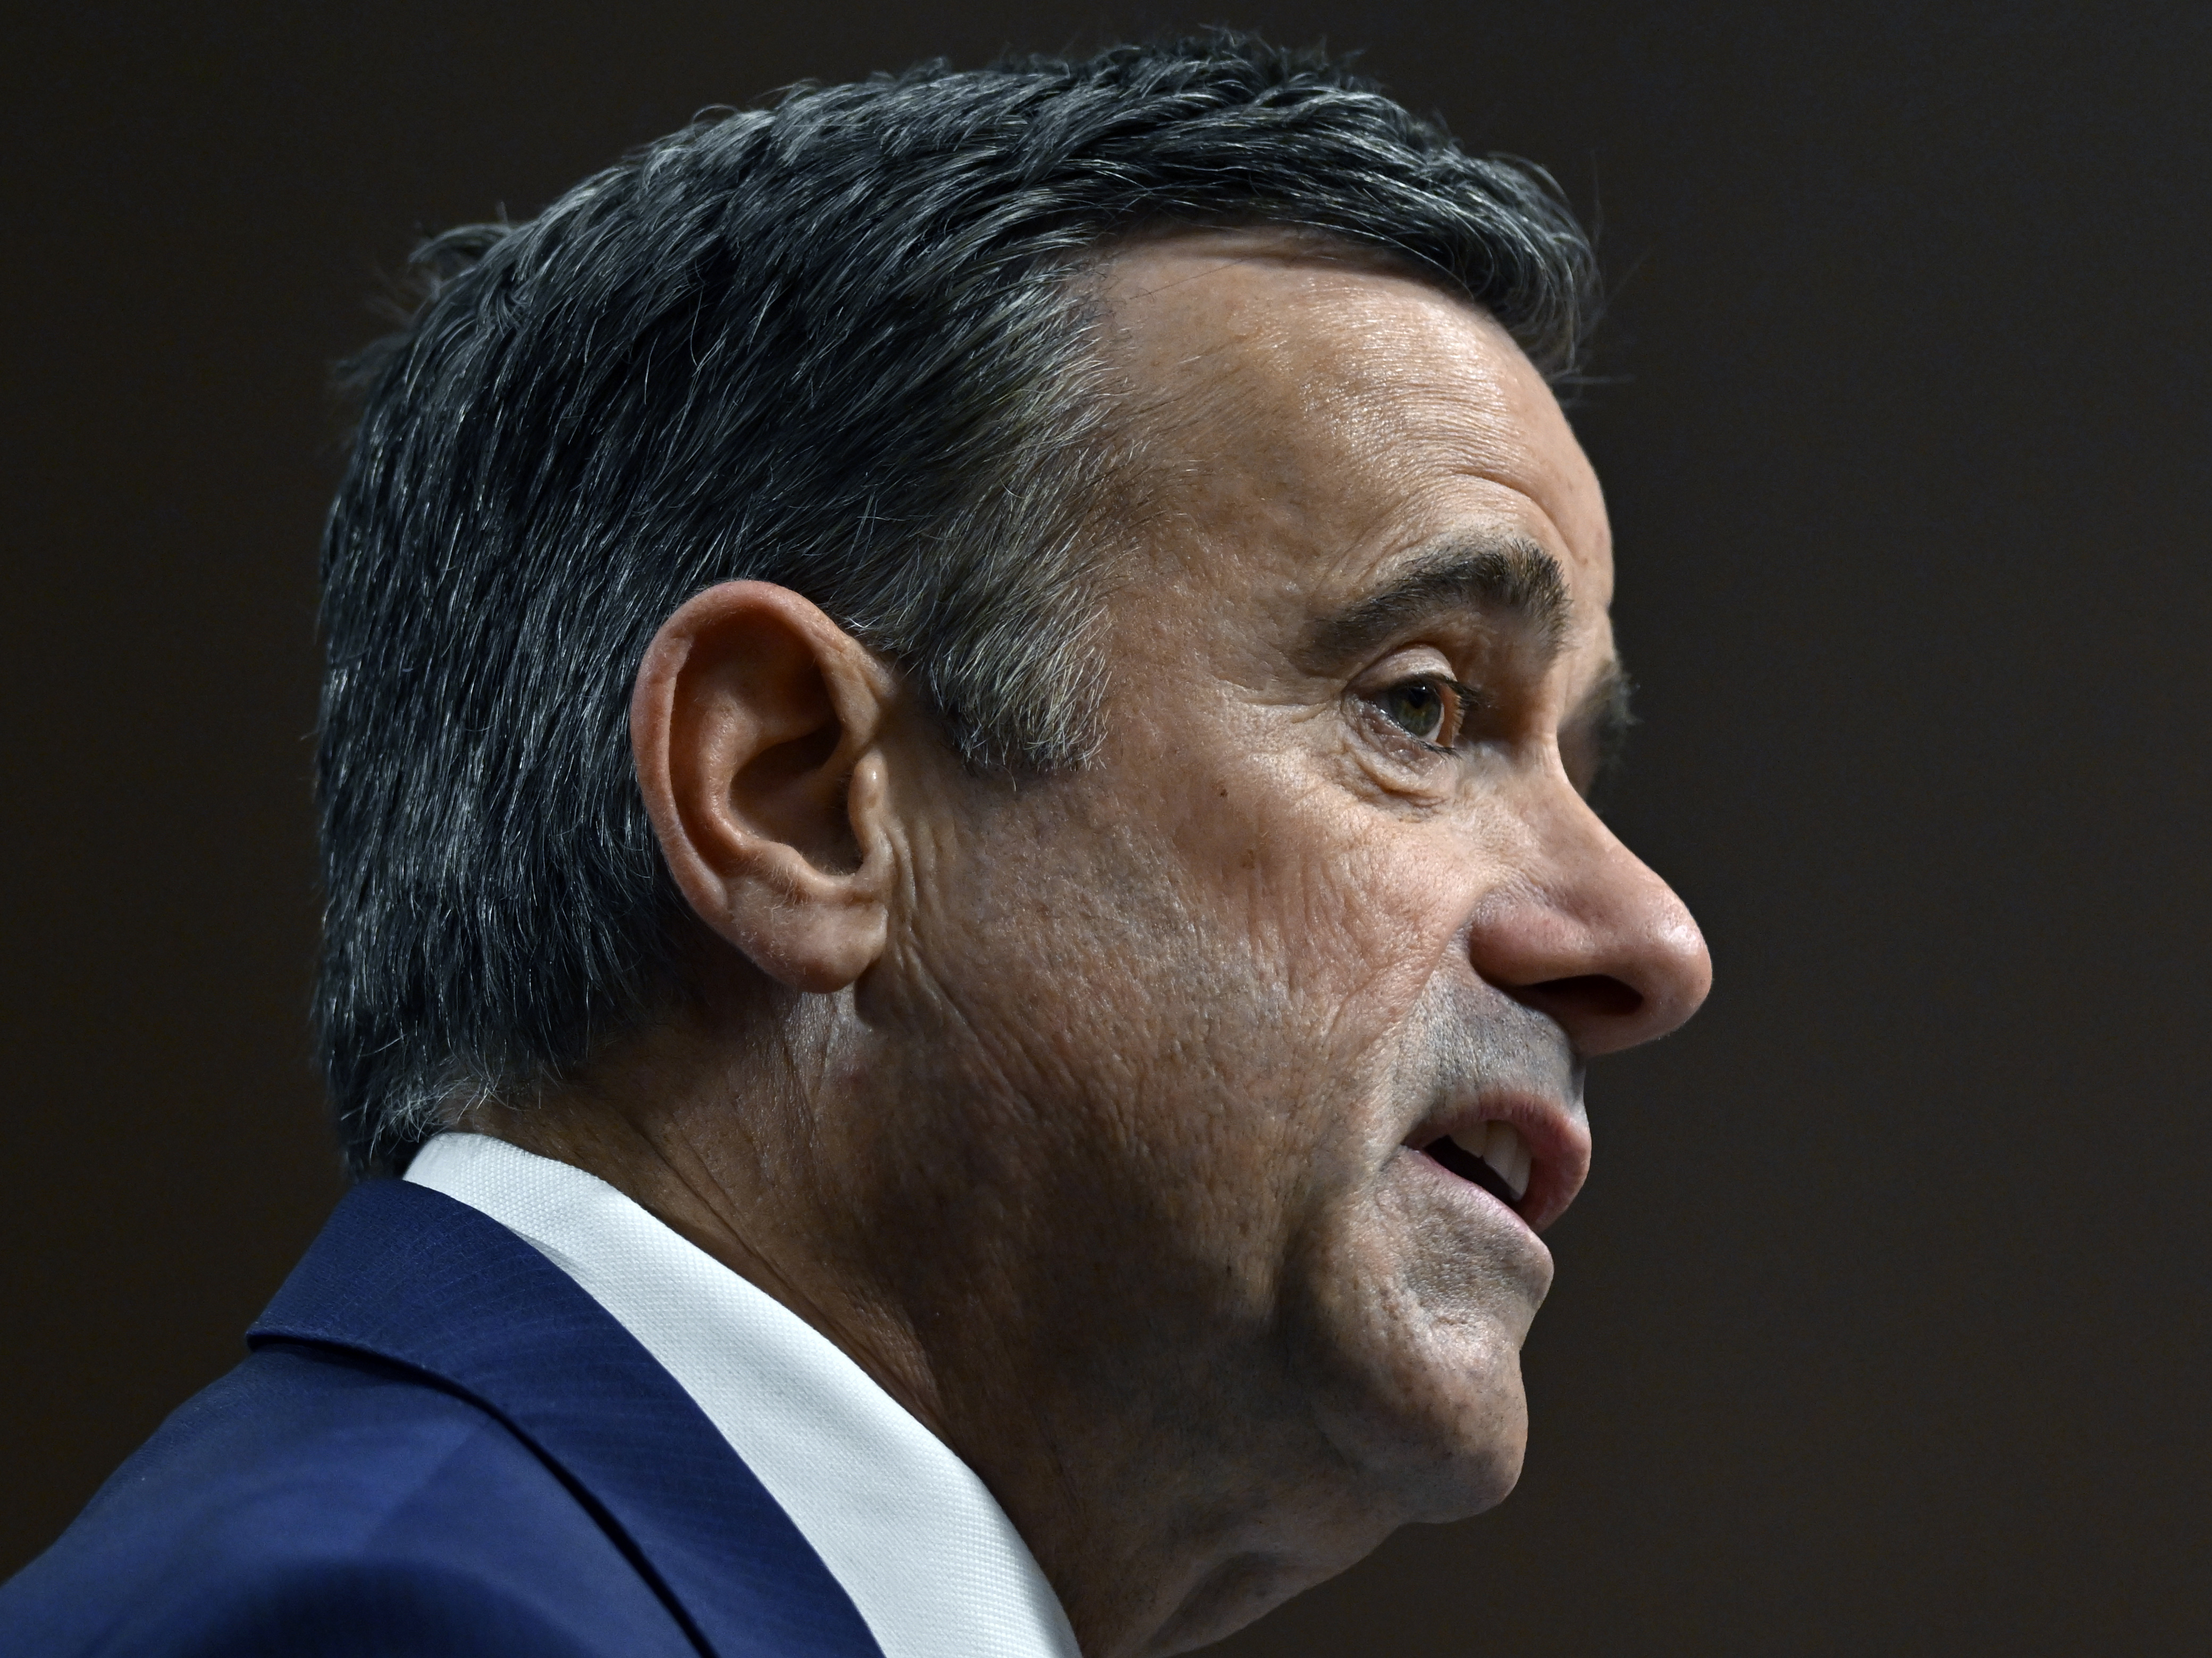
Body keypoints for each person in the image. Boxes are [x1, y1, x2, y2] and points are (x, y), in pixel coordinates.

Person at [0, 34, 1709, 1658]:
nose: (1645, 936)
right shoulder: (398, 1626)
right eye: (1420, 705)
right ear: (799, 798)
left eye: (1576, 759)